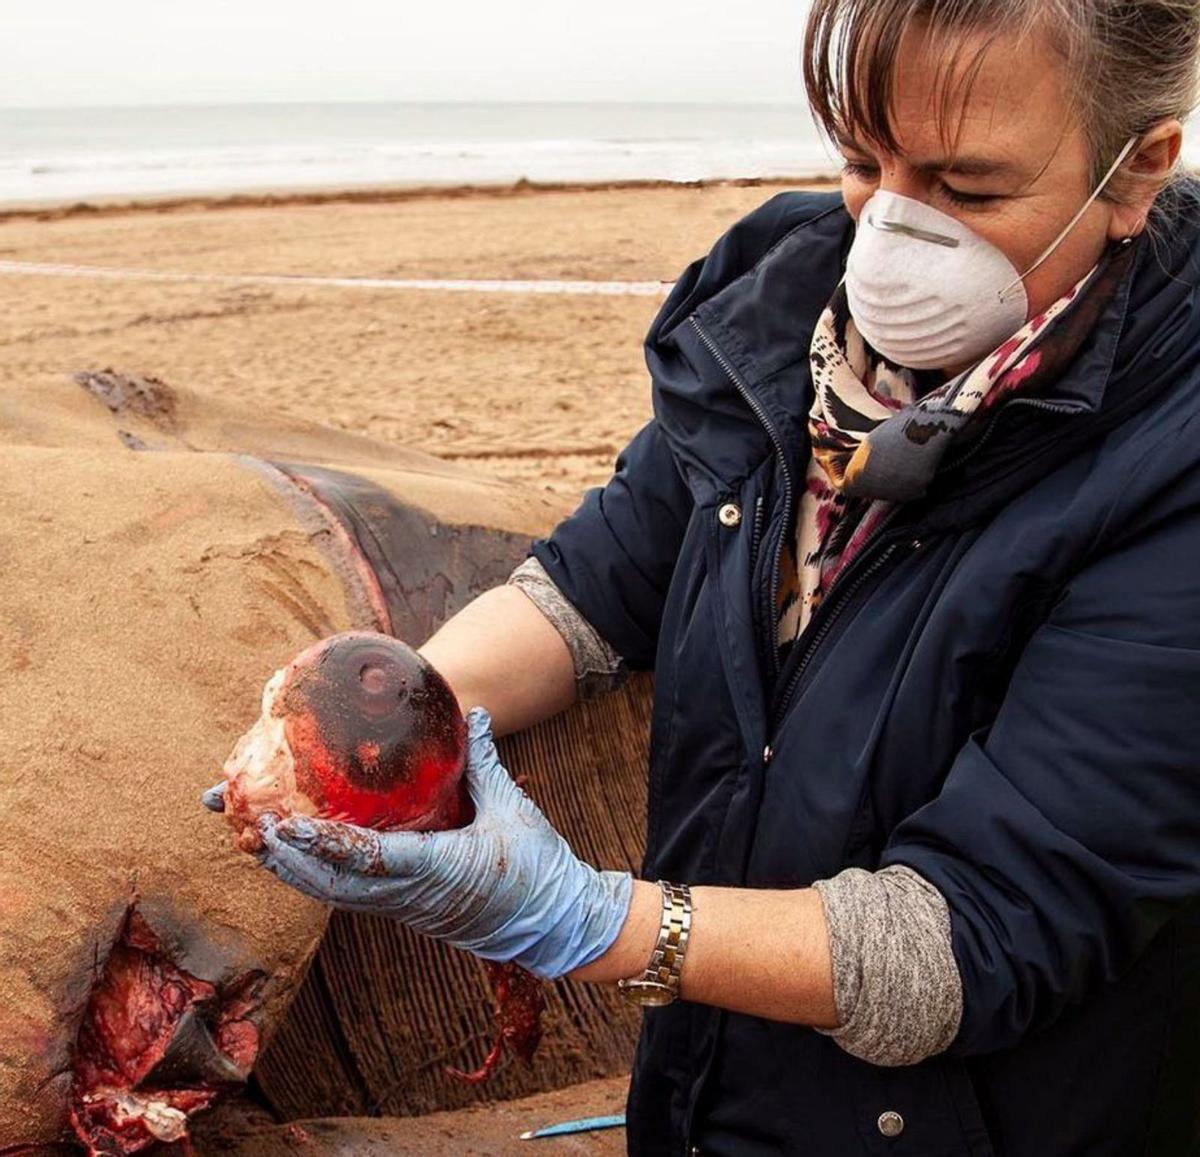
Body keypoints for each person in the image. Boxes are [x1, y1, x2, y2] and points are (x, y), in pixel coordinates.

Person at [204, 1, 1200, 1152]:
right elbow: (588, 591)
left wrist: (584, 920)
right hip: (708, 1093)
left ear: (1136, 171)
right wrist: (367, 728)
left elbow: (973, 940)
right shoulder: (780, 315)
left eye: (970, 190)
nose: (893, 232)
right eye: (863, 161)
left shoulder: (1167, 460)